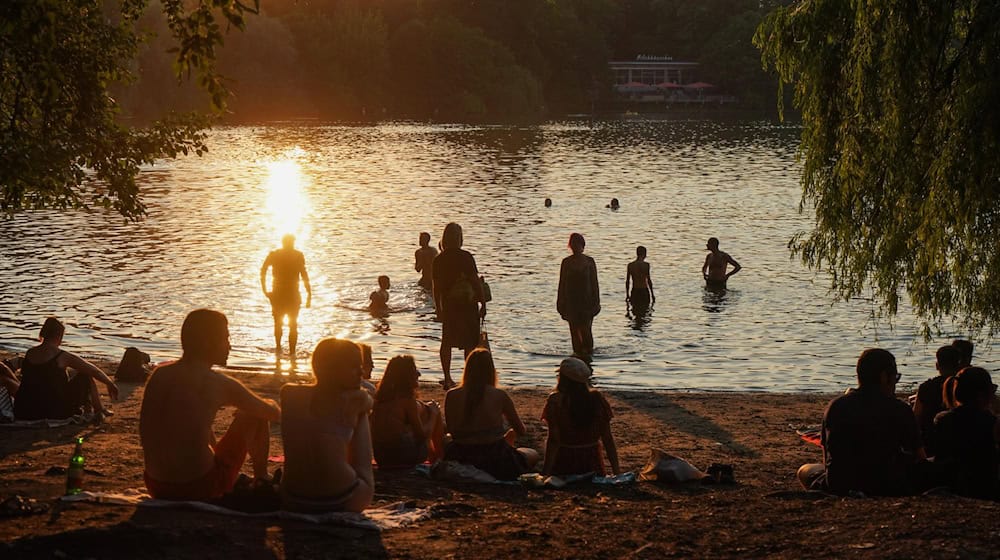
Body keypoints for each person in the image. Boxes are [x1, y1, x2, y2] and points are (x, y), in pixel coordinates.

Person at [140, 309, 280, 500]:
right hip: (201, 486)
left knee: (196, 422)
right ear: (208, 343)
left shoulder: (160, 374)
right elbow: (271, 413)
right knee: (255, 412)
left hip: (156, 485)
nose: (229, 346)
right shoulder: (218, 383)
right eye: (226, 339)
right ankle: (262, 477)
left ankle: (238, 474)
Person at [797, 348, 925, 496]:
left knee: (805, 470)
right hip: (889, 484)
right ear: (884, 377)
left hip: (841, 484)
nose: (895, 384)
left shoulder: (836, 406)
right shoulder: (901, 409)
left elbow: (828, 457)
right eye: (895, 377)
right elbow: (920, 457)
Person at [280, 338, 374, 513]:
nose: (361, 372)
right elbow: (368, 401)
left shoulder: (289, 393)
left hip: (292, 497)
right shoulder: (354, 400)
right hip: (343, 497)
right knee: (360, 413)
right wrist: (363, 399)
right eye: (354, 366)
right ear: (332, 368)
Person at [443, 349, 538, 480]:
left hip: (461, 453)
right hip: (493, 457)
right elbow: (521, 430)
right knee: (532, 454)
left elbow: (451, 429)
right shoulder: (499, 395)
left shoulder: (452, 395)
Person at [13, 317, 118, 421]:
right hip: (54, 411)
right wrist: (110, 383)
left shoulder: (30, 353)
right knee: (85, 375)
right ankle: (99, 409)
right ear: (59, 336)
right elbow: (93, 370)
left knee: (67, 374)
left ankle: (96, 409)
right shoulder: (62, 356)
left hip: (25, 410)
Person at [541, 357, 620, 477]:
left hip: (564, 463)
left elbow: (554, 440)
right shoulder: (597, 399)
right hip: (592, 464)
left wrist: (545, 473)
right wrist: (616, 472)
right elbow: (607, 438)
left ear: (562, 378)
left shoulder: (556, 401)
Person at [432, 222, 486, 389]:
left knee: (447, 341)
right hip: (467, 304)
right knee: (470, 342)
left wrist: (438, 308)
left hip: (449, 305)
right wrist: (483, 302)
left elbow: (436, 287)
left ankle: (447, 378)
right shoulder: (466, 257)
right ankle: (468, 378)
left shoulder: (439, 260)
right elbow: (475, 281)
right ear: (459, 238)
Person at [932, 367, 999, 500]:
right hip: (985, 485)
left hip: (951, 482)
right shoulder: (992, 422)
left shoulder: (941, 419)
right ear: (982, 395)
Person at [371, 355, 444, 467]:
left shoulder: (379, 399)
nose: (418, 374)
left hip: (381, 456)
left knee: (426, 408)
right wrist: (433, 414)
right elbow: (422, 436)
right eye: (415, 371)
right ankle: (438, 459)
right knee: (432, 411)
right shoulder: (406, 400)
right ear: (407, 376)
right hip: (402, 457)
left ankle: (436, 458)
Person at [260, 234, 312, 365]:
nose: (291, 245)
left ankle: (286, 352)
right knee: (288, 324)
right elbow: (304, 274)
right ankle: (287, 352)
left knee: (285, 323)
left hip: (284, 294)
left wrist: (309, 294)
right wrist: (265, 290)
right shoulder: (294, 255)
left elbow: (263, 270)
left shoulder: (278, 255)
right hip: (286, 294)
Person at [557, 233, 600, 361]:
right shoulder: (566, 263)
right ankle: (577, 358)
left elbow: (595, 283)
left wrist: (596, 302)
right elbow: (562, 283)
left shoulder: (589, 262)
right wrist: (560, 302)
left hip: (587, 302)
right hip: (571, 302)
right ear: (570, 246)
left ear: (583, 245)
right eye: (573, 244)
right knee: (574, 332)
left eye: (578, 244)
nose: (576, 247)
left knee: (587, 332)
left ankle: (588, 360)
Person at [912, 345, 962, 455]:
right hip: (959, 442)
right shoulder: (963, 387)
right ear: (958, 365)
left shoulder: (926, 387)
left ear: (937, 365)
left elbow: (916, 417)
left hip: (930, 442)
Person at [625, 246, 655, 314]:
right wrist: (652, 294)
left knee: (635, 311)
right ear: (644, 254)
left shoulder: (630, 265)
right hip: (644, 291)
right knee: (645, 312)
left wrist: (627, 294)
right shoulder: (646, 265)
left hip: (635, 291)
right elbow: (649, 281)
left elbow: (627, 281)